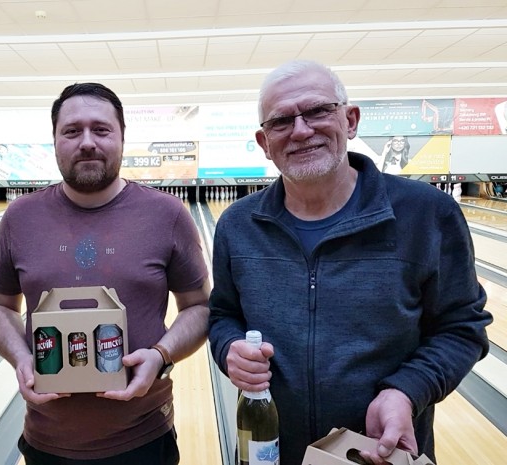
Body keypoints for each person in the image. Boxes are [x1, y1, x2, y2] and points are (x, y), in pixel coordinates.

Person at [208, 60, 492, 465]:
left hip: (379, 451)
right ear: (264, 142)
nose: (301, 130)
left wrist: (406, 391)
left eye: (317, 111)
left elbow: (462, 328)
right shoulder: (237, 225)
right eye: (281, 121)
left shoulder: (428, 214)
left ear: (351, 119)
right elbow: (223, 316)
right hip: (270, 451)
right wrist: (229, 349)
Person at [0, 82, 210, 465]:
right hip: (46, 441)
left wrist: (161, 356)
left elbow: (199, 307)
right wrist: (22, 357)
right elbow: (0, 306)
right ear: (55, 140)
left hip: (144, 438)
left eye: (101, 130)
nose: (87, 142)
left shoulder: (168, 215)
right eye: (72, 131)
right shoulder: (19, 217)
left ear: (122, 136)